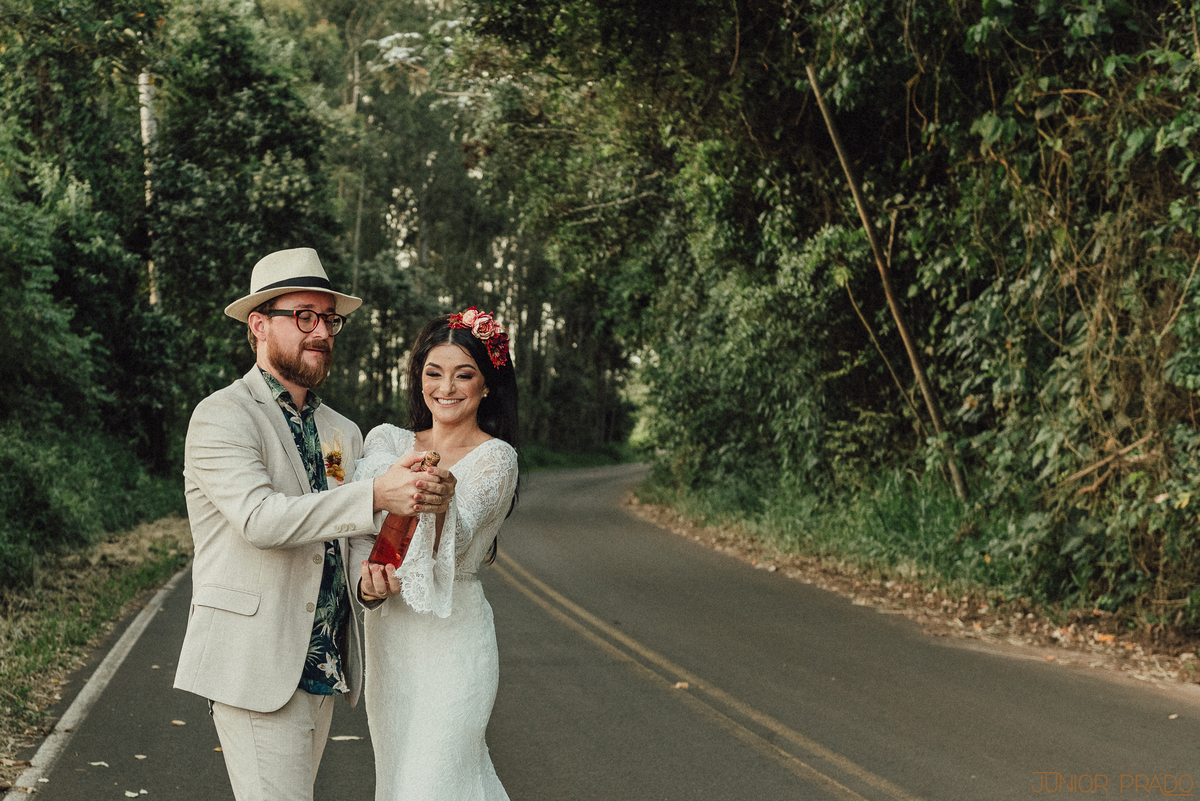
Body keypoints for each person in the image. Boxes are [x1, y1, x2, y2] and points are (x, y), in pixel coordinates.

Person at [173, 247, 456, 801]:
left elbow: (346, 540)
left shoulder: (342, 432)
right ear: (259, 325)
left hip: (324, 664)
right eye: (304, 315)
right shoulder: (222, 415)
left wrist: (368, 582)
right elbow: (260, 519)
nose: (321, 331)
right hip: (255, 663)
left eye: (329, 319)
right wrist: (374, 492)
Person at [353, 307, 520, 801]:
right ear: (419, 380)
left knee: (436, 781)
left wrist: (442, 501)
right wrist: (365, 580)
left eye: (463, 374)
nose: (446, 387)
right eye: (434, 373)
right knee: (401, 782)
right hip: (392, 639)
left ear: (487, 385)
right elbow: (358, 525)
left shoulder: (496, 457)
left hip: (454, 638)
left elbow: (462, 538)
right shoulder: (386, 442)